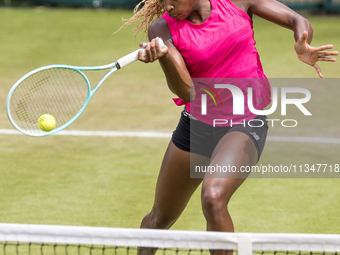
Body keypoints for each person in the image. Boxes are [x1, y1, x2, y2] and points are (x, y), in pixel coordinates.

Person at [120, 0, 338, 252]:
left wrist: (302, 41)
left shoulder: (235, 2)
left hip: (244, 123)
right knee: (159, 219)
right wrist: (166, 57)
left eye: (173, 0)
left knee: (213, 197)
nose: (167, 6)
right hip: (196, 126)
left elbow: (297, 20)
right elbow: (187, 91)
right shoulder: (162, 29)